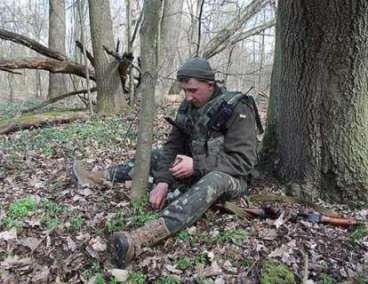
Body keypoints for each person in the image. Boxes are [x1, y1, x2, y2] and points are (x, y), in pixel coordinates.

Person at [72, 57, 261, 269]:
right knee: (156, 155)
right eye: (184, 91)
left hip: (233, 179)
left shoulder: (237, 108)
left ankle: (140, 239)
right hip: (197, 167)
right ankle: (97, 177)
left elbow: (243, 161)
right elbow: (173, 146)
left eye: (193, 90)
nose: (188, 97)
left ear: (210, 85)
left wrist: (196, 165)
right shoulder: (188, 106)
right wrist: (163, 181)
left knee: (214, 180)